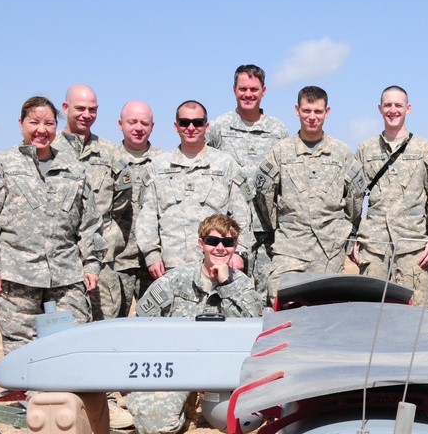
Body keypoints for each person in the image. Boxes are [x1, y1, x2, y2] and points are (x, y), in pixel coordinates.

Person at [0, 96, 105, 354]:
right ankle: (26, 395)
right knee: (21, 347)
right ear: (21, 124)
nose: (42, 130)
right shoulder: (1, 163)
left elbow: (89, 222)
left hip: (67, 275)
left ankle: (67, 395)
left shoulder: (73, 168)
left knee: (72, 343)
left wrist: (92, 263)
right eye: (34, 122)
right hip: (17, 274)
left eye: (49, 123)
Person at [128, 214, 263, 434]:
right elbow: (142, 321)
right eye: (213, 242)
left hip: (223, 370)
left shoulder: (241, 285)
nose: (220, 248)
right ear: (201, 244)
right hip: (177, 367)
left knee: (245, 421)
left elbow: (255, 326)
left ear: (235, 246)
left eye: (228, 243)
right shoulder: (174, 280)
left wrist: (226, 285)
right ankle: (185, 403)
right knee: (155, 427)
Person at [254, 86, 366, 302]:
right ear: (297, 110)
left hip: (328, 250)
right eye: (306, 110)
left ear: (327, 112)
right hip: (290, 247)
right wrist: (280, 225)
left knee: (325, 313)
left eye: (318, 111)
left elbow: (356, 197)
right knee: (280, 301)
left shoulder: (341, 152)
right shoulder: (281, 151)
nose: (312, 117)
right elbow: (264, 193)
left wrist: (343, 230)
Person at [135, 100, 253, 281]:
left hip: (216, 266)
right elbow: (148, 216)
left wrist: (240, 252)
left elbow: (242, 214)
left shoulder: (226, 164)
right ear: (176, 126)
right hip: (171, 268)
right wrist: (151, 255)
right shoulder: (158, 166)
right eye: (185, 122)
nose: (191, 127)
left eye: (198, 122)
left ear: (206, 126)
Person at [353, 86, 428, 306]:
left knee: (414, 315)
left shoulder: (425, 148)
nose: (393, 110)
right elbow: (353, 197)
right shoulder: (365, 150)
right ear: (380, 108)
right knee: (369, 311)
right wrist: (354, 237)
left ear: (408, 108)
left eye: (398, 105)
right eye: (388, 105)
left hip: (413, 247)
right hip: (374, 246)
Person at [207, 64, 289, 300]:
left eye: (254, 89)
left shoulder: (278, 130)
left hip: (267, 231)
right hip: (229, 233)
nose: (248, 94)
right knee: (229, 293)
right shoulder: (218, 128)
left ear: (263, 91)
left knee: (269, 296)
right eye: (243, 88)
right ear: (234, 89)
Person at [54, 84, 133, 322]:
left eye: (92, 109)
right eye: (80, 108)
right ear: (65, 107)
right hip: (61, 261)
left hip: (102, 261)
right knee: (63, 331)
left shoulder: (110, 153)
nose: (86, 115)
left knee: (106, 328)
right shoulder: (49, 150)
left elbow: (122, 200)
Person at [114, 100, 164, 312]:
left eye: (144, 123)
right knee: (112, 327)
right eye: (132, 122)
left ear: (152, 126)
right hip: (117, 261)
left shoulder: (164, 162)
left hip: (154, 262)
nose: (138, 128)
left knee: (156, 326)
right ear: (120, 124)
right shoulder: (108, 159)